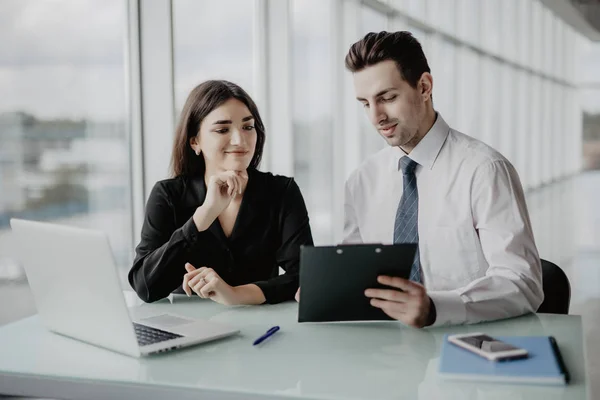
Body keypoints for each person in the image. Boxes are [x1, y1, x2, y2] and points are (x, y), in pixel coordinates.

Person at [299, 31, 544, 328]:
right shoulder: (362, 181)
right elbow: (357, 273)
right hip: (384, 349)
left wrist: (435, 307)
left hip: (464, 343)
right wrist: (328, 287)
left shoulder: (484, 170)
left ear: (424, 87)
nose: (376, 117)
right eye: (365, 103)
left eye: (387, 98)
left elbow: (522, 283)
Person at [129, 80, 313, 305]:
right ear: (195, 142)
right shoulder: (168, 195)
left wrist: (236, 295)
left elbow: (307, 278)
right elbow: (145, 286)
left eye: (248, 127)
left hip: (263, 327)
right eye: (222, 129)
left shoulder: (281, 192)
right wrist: (204, 215)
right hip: (189, 327)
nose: (240, 140)